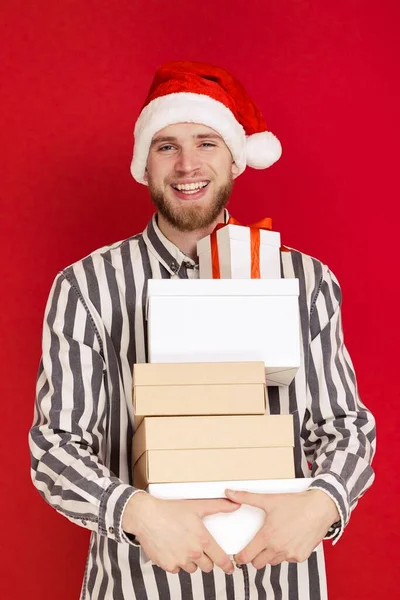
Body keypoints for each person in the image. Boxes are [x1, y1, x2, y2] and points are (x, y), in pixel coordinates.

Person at [29, 61, 376, 600]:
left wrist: (323, 502)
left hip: (277, 585)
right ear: (144, 163)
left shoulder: (305, 281)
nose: (187, 164)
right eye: (166, 145)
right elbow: (54, 448)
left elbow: (345, 425)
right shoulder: (86, 286)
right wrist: (138, 513)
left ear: (235, 157)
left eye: (206, 142)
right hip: (139, 585)